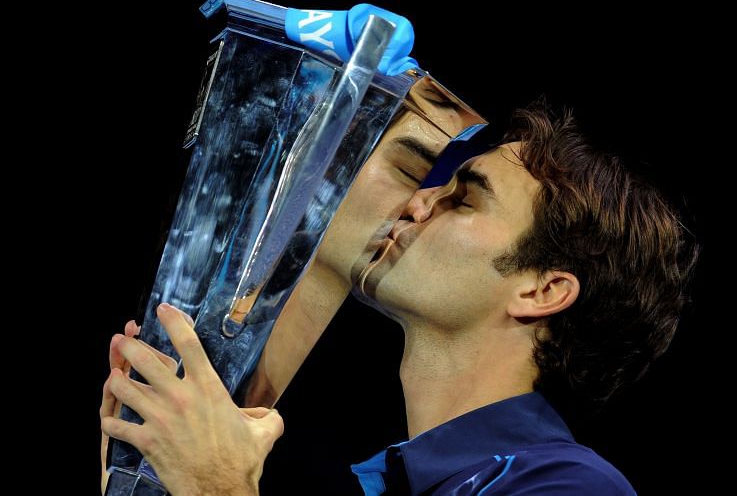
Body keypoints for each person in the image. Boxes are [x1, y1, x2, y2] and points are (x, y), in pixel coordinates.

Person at [100, 103, 698, 494]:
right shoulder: (383, 484)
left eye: (463, 199)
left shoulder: (570, 487)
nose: (417, 203)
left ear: (542, 290)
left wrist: (217, 486)